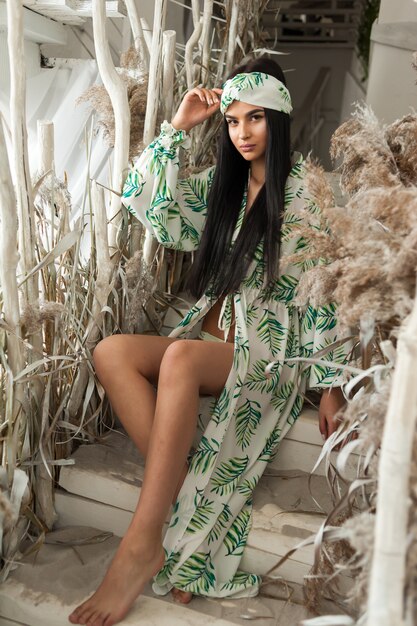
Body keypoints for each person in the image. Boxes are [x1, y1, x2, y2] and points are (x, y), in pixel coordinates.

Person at [69, 56, 350, 626]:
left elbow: (325, 291)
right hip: (215, 335)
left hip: (273, 348)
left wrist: (330, 384)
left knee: (178, 356)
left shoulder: (306, 196)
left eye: (256, 120)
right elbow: (144, 201)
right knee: (111, 352)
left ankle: (142, 545)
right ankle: (183, 493)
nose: (243, 133)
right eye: (233, 122)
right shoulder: (220, 190)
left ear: (280, 120)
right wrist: (177, 127)